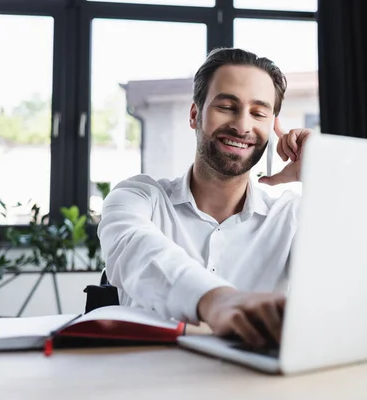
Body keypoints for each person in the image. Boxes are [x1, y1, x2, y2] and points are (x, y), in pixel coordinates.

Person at [98, 48, 312, 349]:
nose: (242, 125)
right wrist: (218, 301)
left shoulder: (293, 215)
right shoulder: (137, 197)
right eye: (227, 106)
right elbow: (139, 254)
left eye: (258, 113)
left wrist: (324, 177)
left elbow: (350, 283)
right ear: (195, 114)